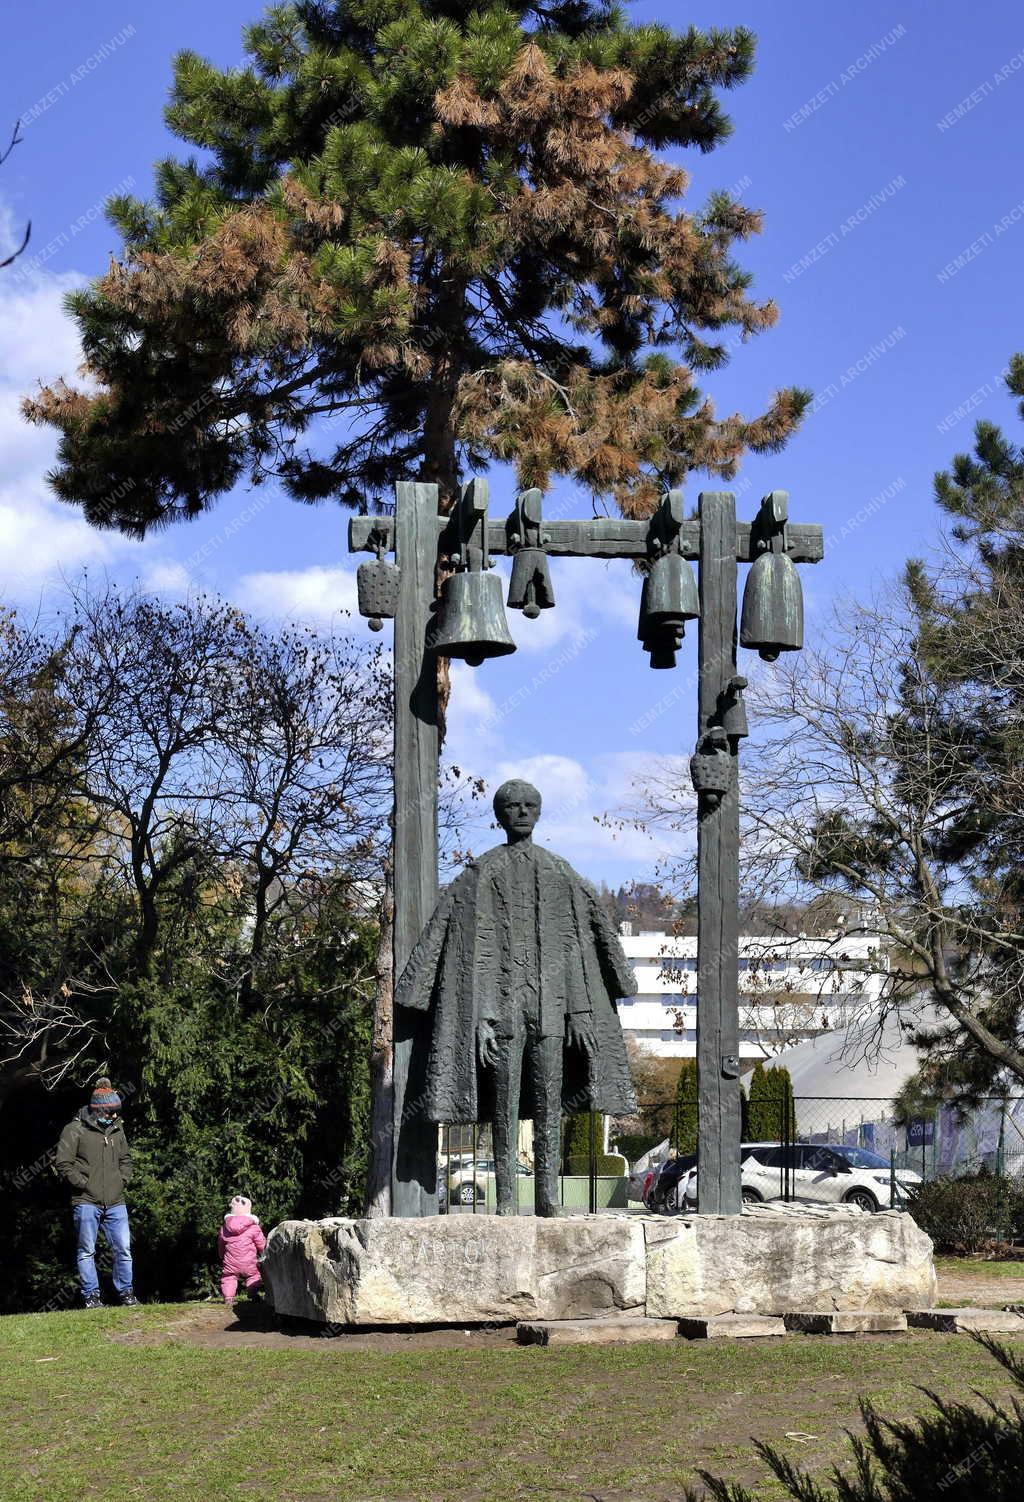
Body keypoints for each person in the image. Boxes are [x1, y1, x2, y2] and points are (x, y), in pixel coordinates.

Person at [397, 779, 637, 1217]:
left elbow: (578, 946)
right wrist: (480, 1017)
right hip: (503, 1015)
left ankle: (547, 1198)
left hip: (550, 1012)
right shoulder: (478, 875)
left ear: (539, 812)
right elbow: (470, 953)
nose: (521, 812)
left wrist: (580, 1010)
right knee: (503, 1112)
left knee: (550, 1108)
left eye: (529, 805)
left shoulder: (559, 872)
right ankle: (506, 1199)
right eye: (512, 806)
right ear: (499, 814)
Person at [55, 1077, 137, 1308]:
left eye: (115, 1112)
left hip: (116, 1201)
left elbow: (126, 1159)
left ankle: (126, 1294)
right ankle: (91, 1296)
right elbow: (63, 1162)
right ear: (98, 1109)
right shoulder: (74, 1130)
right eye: (110, 1112)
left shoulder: (117, 1129)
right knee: (86, 1251)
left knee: (123, 1249)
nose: (114, 1116)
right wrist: (82, 1183)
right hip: (86, 1200)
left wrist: (123, 1180)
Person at [218, 1195, 266, 1302]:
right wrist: (264, 1253)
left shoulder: (224, 1228)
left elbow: (221, 1244)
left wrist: (221, 1255)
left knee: (228, 1277)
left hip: (230, 1261)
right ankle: (252, 1293)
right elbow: (261, 1243)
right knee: (254, 1275)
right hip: (249, 1261)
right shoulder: (254, 1227)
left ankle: (228, 1298)